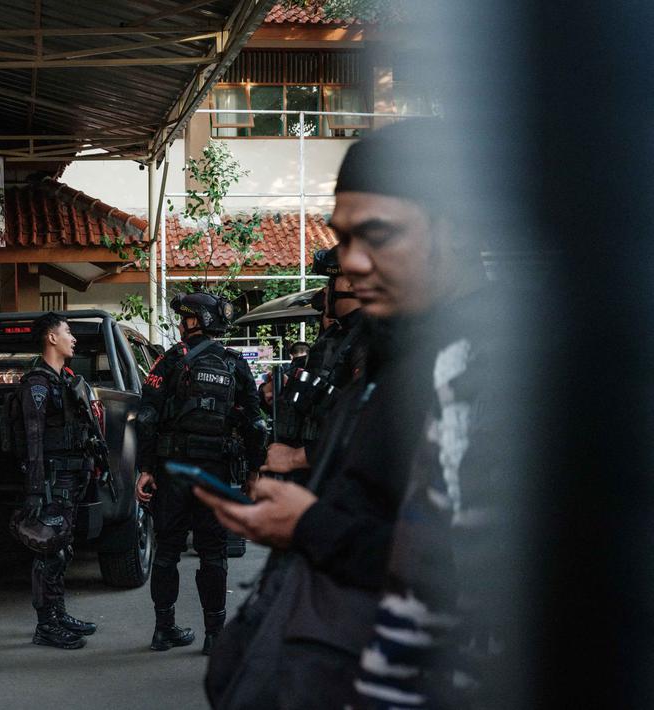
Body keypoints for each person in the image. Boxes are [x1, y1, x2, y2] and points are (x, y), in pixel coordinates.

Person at [197, 119, 487, 708]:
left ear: (456, 230)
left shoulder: (492, 372)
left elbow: (489, 580)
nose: (349, 262)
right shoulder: (386, 353)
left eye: (378, 235)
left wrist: (310, 526)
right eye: (343, 236)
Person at [135, 291, 264, 655]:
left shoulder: (168, 362)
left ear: (198, 321)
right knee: (213, 553)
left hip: (172, 471)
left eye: (186, 317)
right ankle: (214, 635)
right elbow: (255, 424)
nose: (180, 323)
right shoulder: (234, 364)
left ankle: (164, 630)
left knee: (167, 552)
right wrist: (255, 470)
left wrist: (145, 469)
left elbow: (146, 418)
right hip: (215, 473)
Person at [14, 312, 103, 650]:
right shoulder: (38, 383)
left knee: (63, 549)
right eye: (68, 332)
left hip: (69, 477)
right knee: (48, 552)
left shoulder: (64, 380)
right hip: (51, 479)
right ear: (51, 338)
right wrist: (36, 490)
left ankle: (58, 613)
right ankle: (46, 625)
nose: (74, 338)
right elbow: (34, 440)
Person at [268, 246, 367, 483]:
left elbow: (367, 426)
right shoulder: (339, 336)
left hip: (340, 481)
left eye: (333, 279)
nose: (326, 289)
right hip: (315, 477)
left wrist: (295, 458)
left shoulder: (371, 337)